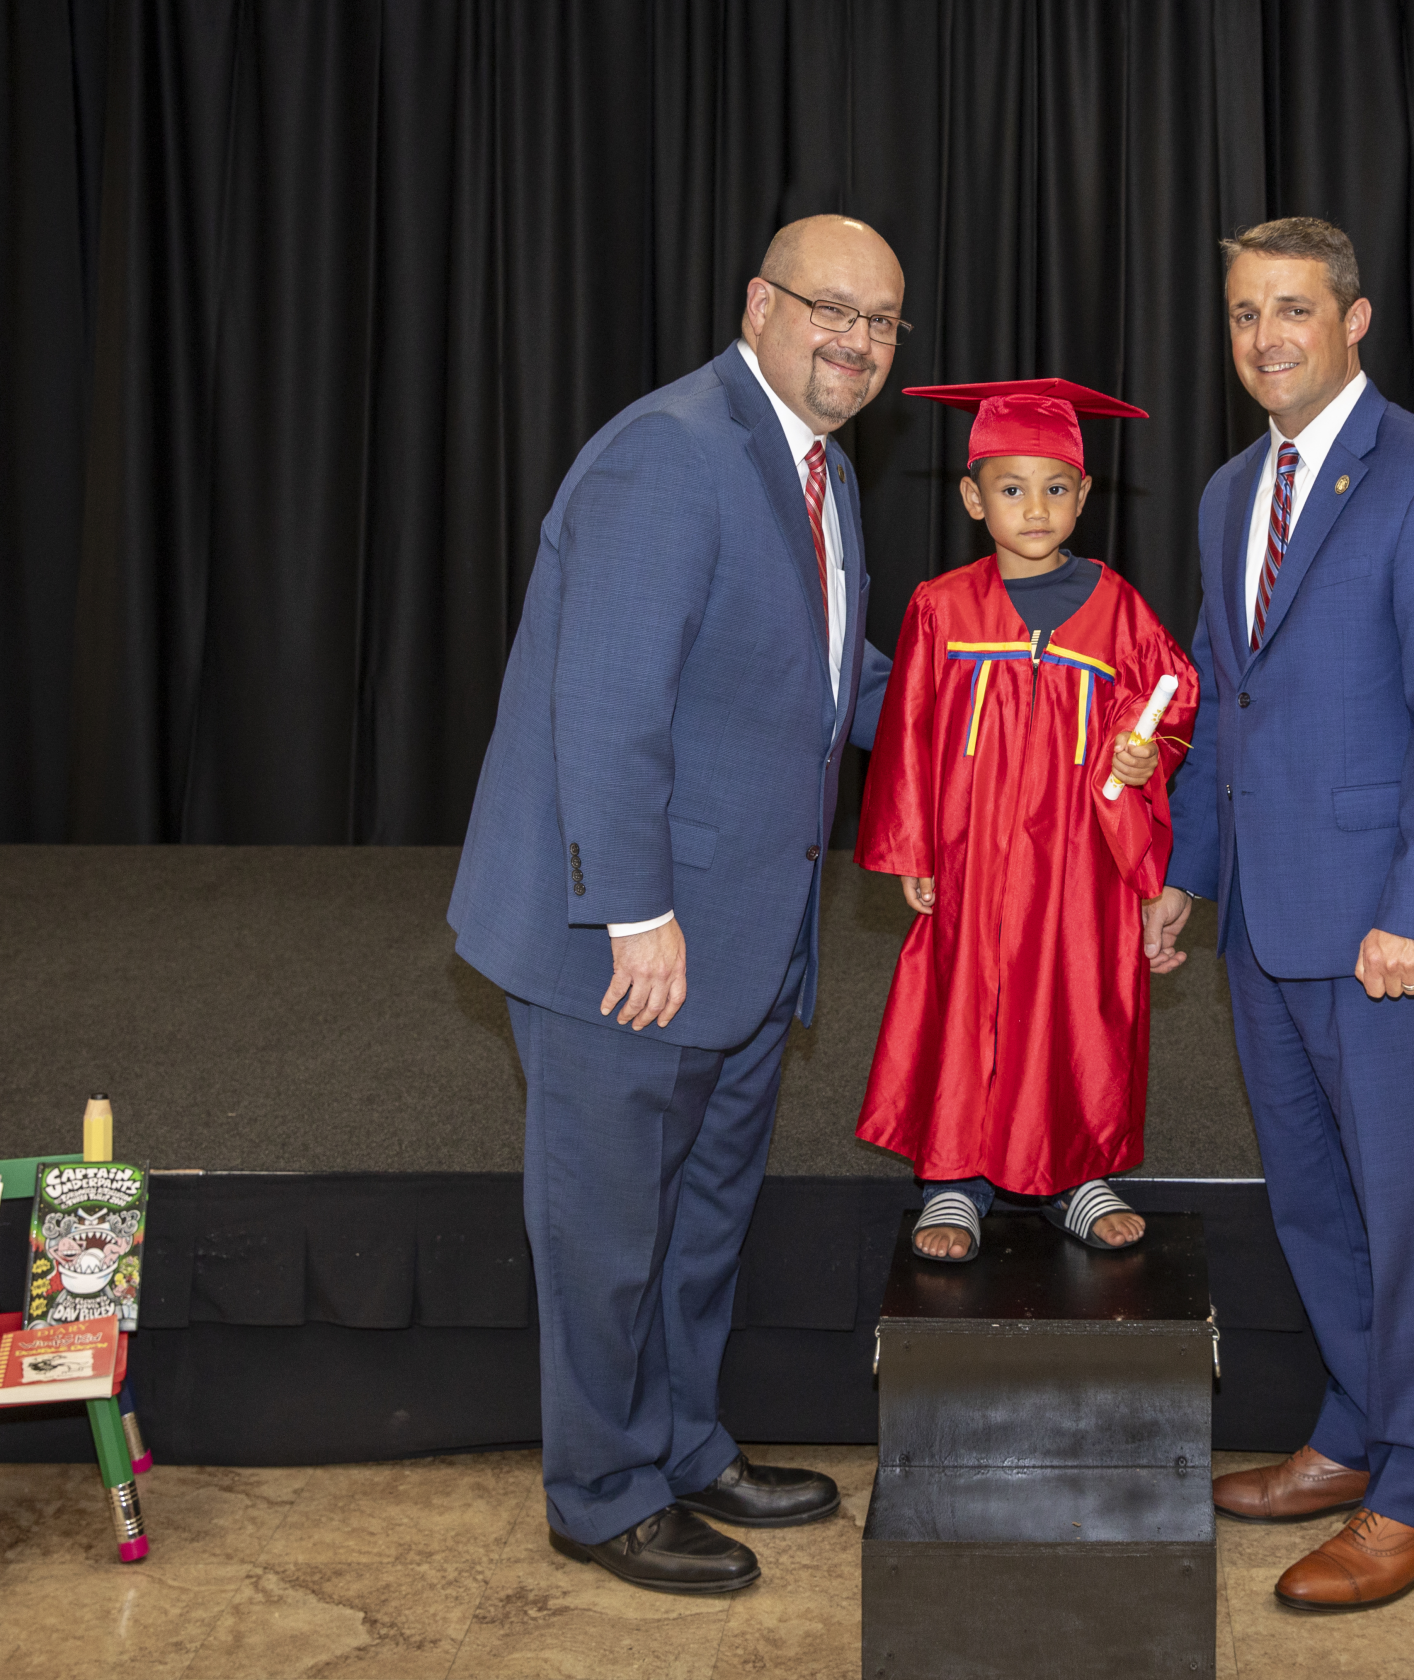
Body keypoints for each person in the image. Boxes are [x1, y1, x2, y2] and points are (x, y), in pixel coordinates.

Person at [447, 215, 903, 1594]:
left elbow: (831, 674)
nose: (856, 342)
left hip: (747, 935)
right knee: (606, 1236)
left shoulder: (816, 466)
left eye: (882, 322)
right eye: (831, 309)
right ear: (760, 304)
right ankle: (601, 1492)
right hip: (633, 945)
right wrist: (633, 914)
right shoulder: (669, 451)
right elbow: (607, 704)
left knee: (701, 1224)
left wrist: (1002, 703)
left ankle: (685, 1445)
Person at [1143, 217, 1414, 1611]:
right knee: (1316, 1203)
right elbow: (1218, 701)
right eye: (1245, 313)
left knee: (1408, 1213)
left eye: (1293, 308)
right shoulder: (1230, 489)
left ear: (1353, 321)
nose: (1266, 337)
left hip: (1384, 933)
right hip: (1264, 920)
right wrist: (1186, 876)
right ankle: (1359, 1434)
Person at [854, 380, 1199, 1261]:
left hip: (1080, 865)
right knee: (963, 1003)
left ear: (1084, 495)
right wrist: (912, 847)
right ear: (974, 498)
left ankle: (1077, 1172)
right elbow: (908, 729)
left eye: (1056, 488)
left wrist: (1143, 754)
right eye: (1011, 488)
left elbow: (1168, 708)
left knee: (1079, 1004)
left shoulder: (1119, 609)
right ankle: (954, 1178)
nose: (1035, 509)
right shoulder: (942, 606)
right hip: (970, 858)